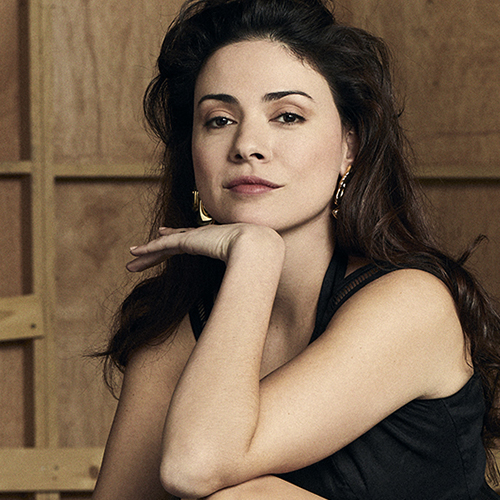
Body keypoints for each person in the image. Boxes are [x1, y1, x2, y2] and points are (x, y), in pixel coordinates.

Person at [91, 0, 500, 498]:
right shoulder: (173, 330)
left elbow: (194, 467)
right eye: (218, 120)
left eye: (287, 116)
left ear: (349, 147)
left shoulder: (411, 303)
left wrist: (255, 256)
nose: (247, 145)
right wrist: (251, 259)